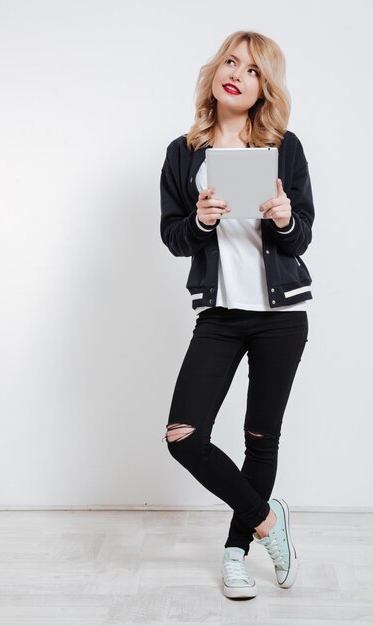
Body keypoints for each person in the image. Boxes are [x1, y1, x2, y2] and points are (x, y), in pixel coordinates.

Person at [159, 30, 315, 599]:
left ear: (263, 88)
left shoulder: (284, 146)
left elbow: (302, 239)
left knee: (260, 440)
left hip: (280, 317)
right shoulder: (184, 153)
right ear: (216, 71)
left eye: (252, 71)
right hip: (219, 316)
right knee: (184, 437)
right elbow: (173, 237)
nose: (237, 74)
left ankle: (235, 552)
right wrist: (199, 219)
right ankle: (270, 521)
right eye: (231, 62)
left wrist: (282, 217)